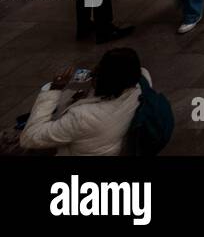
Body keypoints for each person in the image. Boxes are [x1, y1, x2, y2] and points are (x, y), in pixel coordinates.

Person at [17, 48, 152, 156]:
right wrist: (89, 98)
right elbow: (140, 72)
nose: (94, 69)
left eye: (98, 69)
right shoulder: (141, 86)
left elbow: (30, 137)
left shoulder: (82, 117)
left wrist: (54, 89)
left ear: (103, 79)